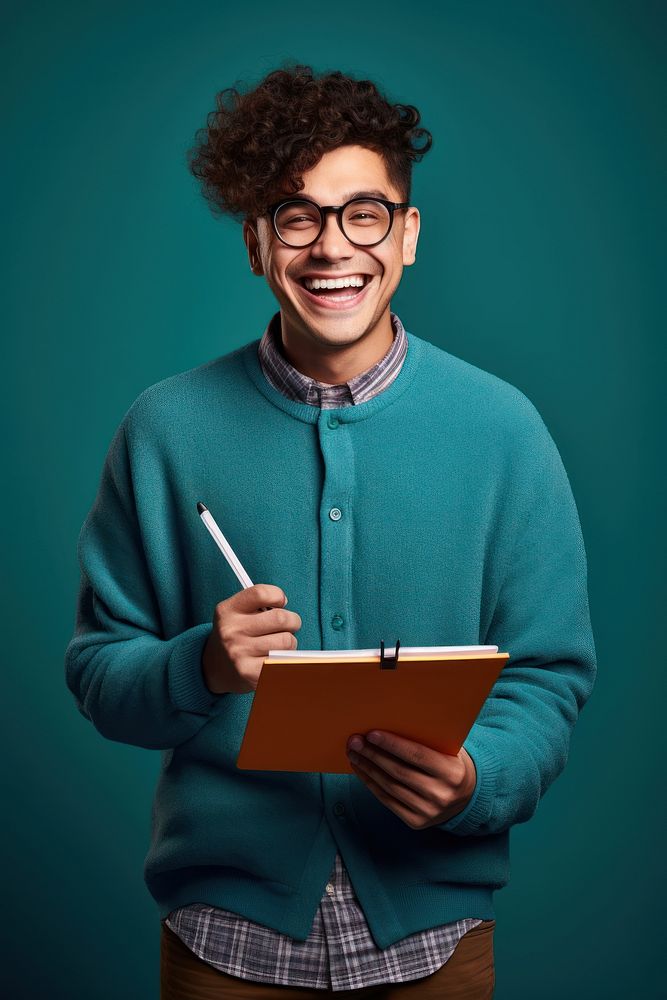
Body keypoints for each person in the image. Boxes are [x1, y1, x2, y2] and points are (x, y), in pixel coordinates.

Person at [65, 64, 597, 999]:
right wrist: (201, 666)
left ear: (408, 234)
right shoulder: (165, 429)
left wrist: (478, 778)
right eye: (296, 216)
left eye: (364, 212)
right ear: (256, 242)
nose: (330, 248)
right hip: (225, 943)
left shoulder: (503, 429)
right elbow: (100, 672)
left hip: (434, 941)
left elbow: (548, 674)